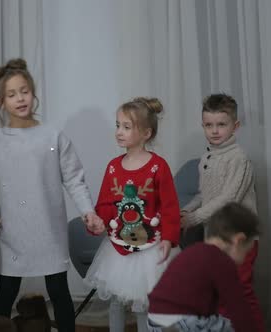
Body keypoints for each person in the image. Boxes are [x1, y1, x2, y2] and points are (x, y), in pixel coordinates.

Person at [0, 58, 103, 332]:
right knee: (6, 291)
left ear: (33, 92)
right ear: (0, 101)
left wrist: (88, 211)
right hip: (14, 233)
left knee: (58, 290)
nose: (20, 99)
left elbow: (74, 178)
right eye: (12, 94)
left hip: (49, 230)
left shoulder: (52, 136)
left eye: (24, 91)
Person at [85, 97, 180, 332]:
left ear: (146, 133)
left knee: (144, 303)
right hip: (119, 247)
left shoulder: (159, 166)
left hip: (151, 247)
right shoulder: (113, 167)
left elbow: (169, 206)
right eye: (118, 125)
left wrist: (169, 238)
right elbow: (106, 204)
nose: (119, 132)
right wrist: (96, 221)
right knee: (117, 301)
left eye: (127, 127)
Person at [180, 93, 264, 331]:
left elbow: (228, 198)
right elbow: (205, 195)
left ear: (235, 126)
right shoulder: (207, 156)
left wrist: (194, 218)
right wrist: (185, 212)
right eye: (209, 125)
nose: (215, 131)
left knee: (240, 291)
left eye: (221, 125)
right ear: (203, 125)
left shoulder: (239, 159)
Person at [148, 202, 260, 332]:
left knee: (214, 319)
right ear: (238, 241)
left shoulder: (192, 252)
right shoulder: (222, 261)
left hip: (154, 321)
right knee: (228, 326)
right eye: (246, 252)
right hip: (181, 322)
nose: (243, 259)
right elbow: (238, 308)